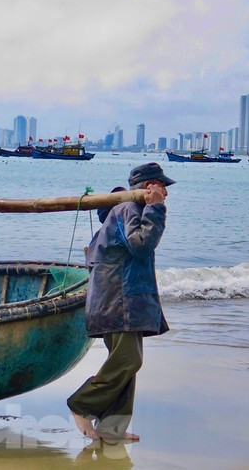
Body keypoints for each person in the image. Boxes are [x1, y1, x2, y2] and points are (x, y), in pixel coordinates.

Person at [67, 162, 175, 441]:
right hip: (118, 299)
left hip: (124, 299)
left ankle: (110, 429)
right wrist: (156, 208)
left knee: (127, 362)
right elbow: (140, 245)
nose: (166, 193)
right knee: (129, 359)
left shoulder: (127, 209)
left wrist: (151, 208)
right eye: (162, 187)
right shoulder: (129, 209)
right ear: (149, 186)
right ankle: (82, 403)